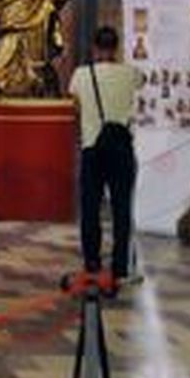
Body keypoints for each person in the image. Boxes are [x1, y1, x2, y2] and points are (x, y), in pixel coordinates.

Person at [68, 25, 140, 287]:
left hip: (92, 148)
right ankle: (120, 267)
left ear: (95, 48)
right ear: (116, 47)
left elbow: (74, 104)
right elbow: (139, 90)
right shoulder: (131, 73)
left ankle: (92, 262)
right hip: (121, 150)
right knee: (122, 209)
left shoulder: (81, 74)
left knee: (90, 209)